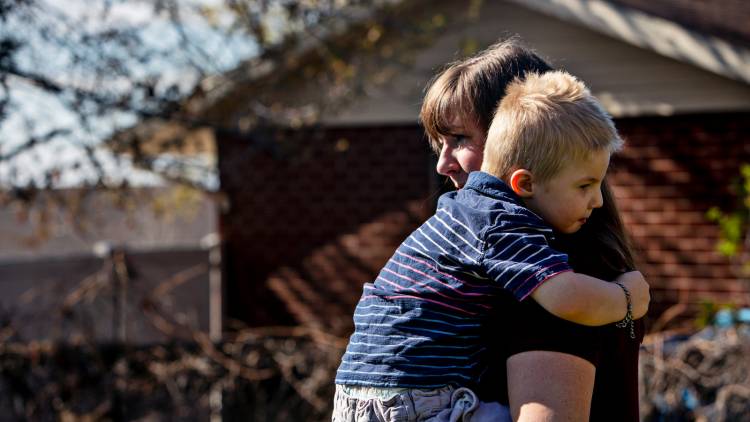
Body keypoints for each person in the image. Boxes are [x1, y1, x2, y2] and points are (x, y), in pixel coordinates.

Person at [332, 69, 649, 421]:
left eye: (459, 139)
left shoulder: (464, 210)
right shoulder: (502, 224)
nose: (598, 200)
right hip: (415, 400)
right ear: (525, 182)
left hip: (358, 393)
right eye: (585, 186)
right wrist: (626, 299)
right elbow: (567, 298)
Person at [422, 39, 645, 421]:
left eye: (460, 138)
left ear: (519, 138)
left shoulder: (552, 276)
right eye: (439, 141)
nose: (443, 163)